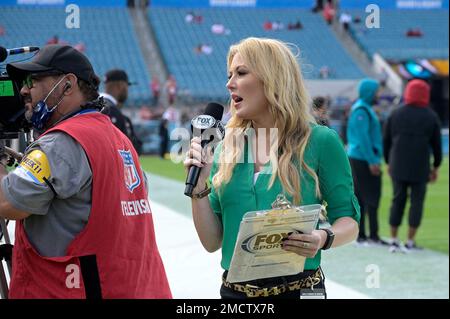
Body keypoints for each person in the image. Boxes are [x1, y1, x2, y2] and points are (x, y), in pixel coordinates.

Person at [184, 37, 360, 299]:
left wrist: (323, 237)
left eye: (241, 73)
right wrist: (199, 189)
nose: (229, 83)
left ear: (273, 78)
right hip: (236, 294)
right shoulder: (225, 148)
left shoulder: (321, 141)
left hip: (302, 291)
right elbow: (212, 242)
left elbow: (349, 221)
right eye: (229, 74)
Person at [0, 44, 171, 298]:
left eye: (33, 80)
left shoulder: (60, 143)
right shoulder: (117, 137)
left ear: (67, 85)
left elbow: (7, 202)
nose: (24, 90)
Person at [383, 79, 442, 252]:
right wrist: (436, 166)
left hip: (398, 164)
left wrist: (388, 161)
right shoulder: (431, 116)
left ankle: (393, 239)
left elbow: (386, 140)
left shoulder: (396, 113)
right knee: (417, 203)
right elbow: (437, 145)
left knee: (397, 200)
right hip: (420, 166)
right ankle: (410, 241)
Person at [346, 78, 387, 246]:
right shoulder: (361, 110)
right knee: (368, 196)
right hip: (362, 158)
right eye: (377, 91)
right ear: (369, 92)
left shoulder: (364, 109)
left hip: (361, 157)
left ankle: (366, 235)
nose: (379, 94)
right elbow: (363, 138)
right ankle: (367, 235)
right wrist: (372, 161)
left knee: (364, 196)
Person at [100, 69, 143, 154]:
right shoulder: (111, 110)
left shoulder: (93, 104)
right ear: (121, 86)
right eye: (127, 86)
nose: (128, 90)